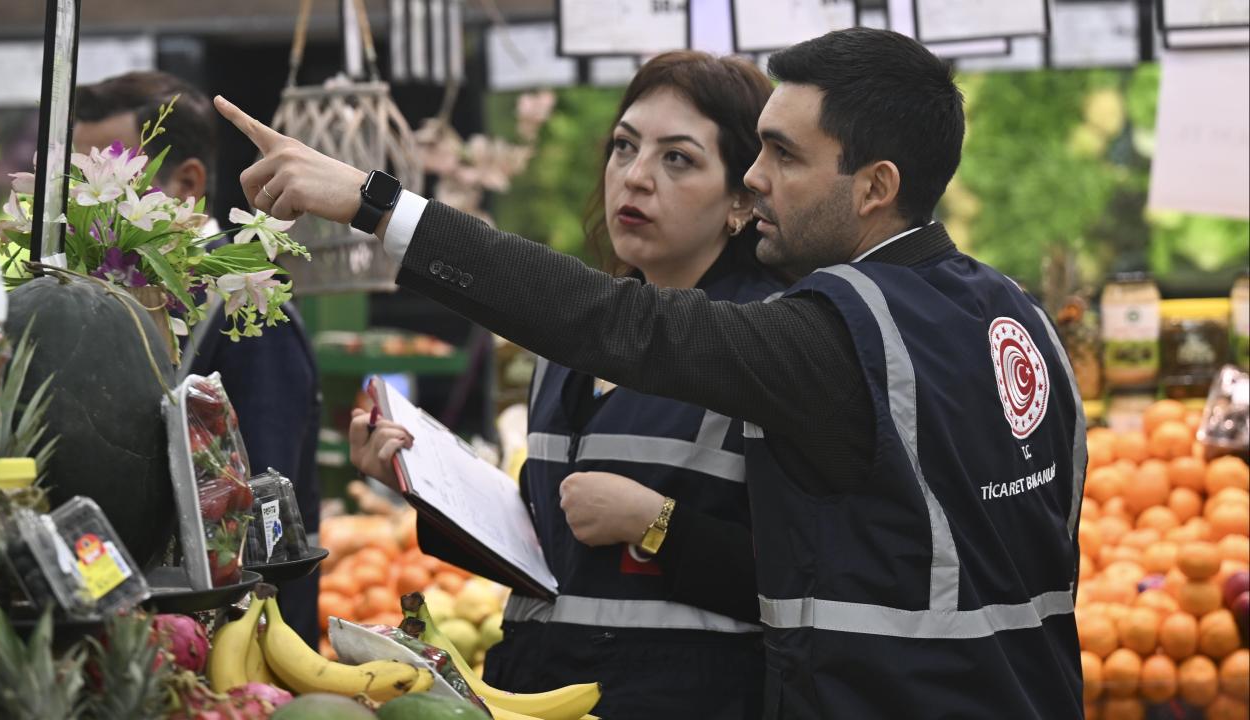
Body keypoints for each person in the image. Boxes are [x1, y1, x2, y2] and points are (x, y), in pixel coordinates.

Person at [218, 27, 1086, 719]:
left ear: (874, 187)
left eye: (783, 156)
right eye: (627, 148)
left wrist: (376, 202)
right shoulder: (1017, 317)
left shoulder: (834, 329)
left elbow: (607, 321)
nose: (756, 177)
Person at [352, 51, 781, 719]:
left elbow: (815, 574)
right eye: (624, 146)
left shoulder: (761, 343)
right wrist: (419, 484)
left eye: (678, 159)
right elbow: (550, 551)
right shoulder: (569, 342)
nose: (635, 177)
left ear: (741, 199)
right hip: (534, 690)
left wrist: (657, 525)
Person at [73, 71, 325, 648]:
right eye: (76, 182)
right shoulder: (114, 302)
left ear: (187, 183)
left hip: (241, 647)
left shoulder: (245, 308)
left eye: (111, 181)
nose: (81, 205)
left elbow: (260, 513)